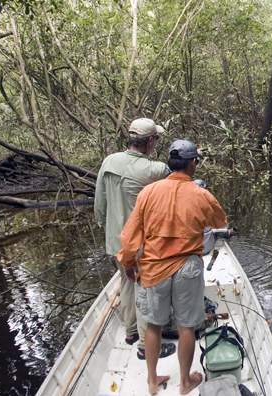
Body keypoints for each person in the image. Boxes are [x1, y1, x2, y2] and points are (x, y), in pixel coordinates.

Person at [118, 139, 227, 395]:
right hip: (187, 268)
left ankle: (153, 381)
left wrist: (128, 263)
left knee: (153, 325)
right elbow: (219, 220)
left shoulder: (148, 192)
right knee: (186, 326)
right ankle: (186, 383)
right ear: (193, 164)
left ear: (169, 163)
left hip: (154, 268)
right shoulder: (201, 194)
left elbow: (130, 235)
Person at [94, 118, 176, 360]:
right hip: (139, 245)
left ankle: (130, 332)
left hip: (114, 241)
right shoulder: (155, 169)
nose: (156, 143)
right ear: (150, 141)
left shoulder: (109, 161)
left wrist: (107, 230)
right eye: (156, 139)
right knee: (144, 289)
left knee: (126, 284)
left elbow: (100, 204)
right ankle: (145, 346)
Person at [192, 179, 236, 255]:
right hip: (203, 249)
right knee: (214, 230)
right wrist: (229, 233)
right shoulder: (209, 208)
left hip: (186, 249)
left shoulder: (183, 206)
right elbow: (221, 231)